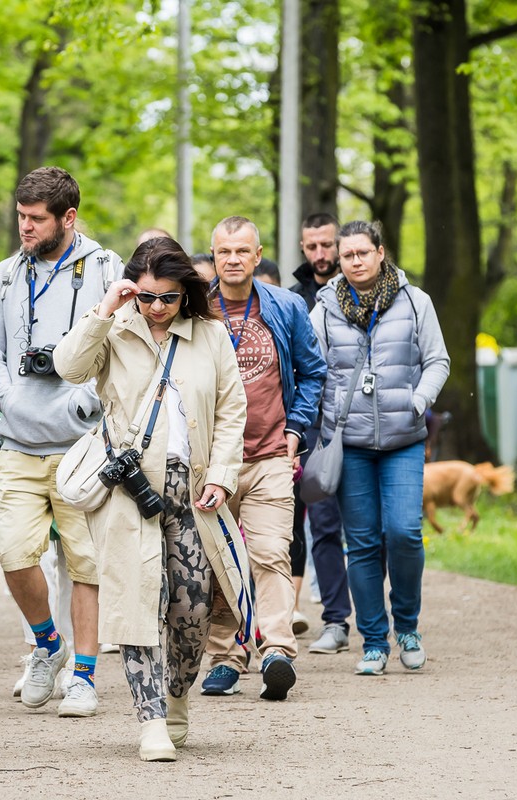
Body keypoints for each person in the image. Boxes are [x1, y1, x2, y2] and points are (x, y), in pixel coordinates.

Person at [54, 237, 246, 761]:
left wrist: (224, 475)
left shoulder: (210, 335)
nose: (157, 307)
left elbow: (232, 409)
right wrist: (105, 309)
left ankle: (177, 694)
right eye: (146, 296)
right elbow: (68, 367)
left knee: (192, 610)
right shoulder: (114, 329)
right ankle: (151, 721)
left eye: (168, 297)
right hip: (130, 490)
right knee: (136, 603)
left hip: (195, 492)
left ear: (186, 293)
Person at [0, 166, 123, 717]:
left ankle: (84, 674)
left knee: (84, 562)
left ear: (69, 217)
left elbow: (120, 346)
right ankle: (47, 644)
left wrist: (87, 400)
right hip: (18, 441)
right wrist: (7, 399)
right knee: (11, 550)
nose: (25, 228)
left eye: (36, 219)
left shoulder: (106, 268)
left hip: (82, 445)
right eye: (20, 217)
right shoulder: (6, 276)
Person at [310, 220, 449, 675]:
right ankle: (374, 641)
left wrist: (419, 400)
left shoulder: (415, 301)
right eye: (347, 255)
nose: (354, 262)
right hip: (348, 443)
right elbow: (312, 363)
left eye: (362, 253)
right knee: (364, 542)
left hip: (403, 438)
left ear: (380, 252)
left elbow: (437, 360)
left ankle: (407, 625)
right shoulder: (326, 305)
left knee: (405, 532)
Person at [199, 216, 325, 702]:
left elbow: (312, 373)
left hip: (272, 454)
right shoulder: (195, 308)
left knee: (270, 553)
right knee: (219, 561)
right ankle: (226, 658)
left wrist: (296, 428)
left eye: (241, 251)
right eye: (223, 252)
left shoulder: (287, 307)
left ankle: (276, 652)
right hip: (212, 463)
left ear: (257, 255)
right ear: (213, 257)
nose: (232, 260)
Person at [288, 213, 353, 657]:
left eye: (327, 245)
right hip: (316, 425)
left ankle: (378, 613)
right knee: (324, 524)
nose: (321, 255)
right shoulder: (294, 300)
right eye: (311, 247)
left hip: (369, 424)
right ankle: (336, 619)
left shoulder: (368, 296)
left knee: (376, 530)